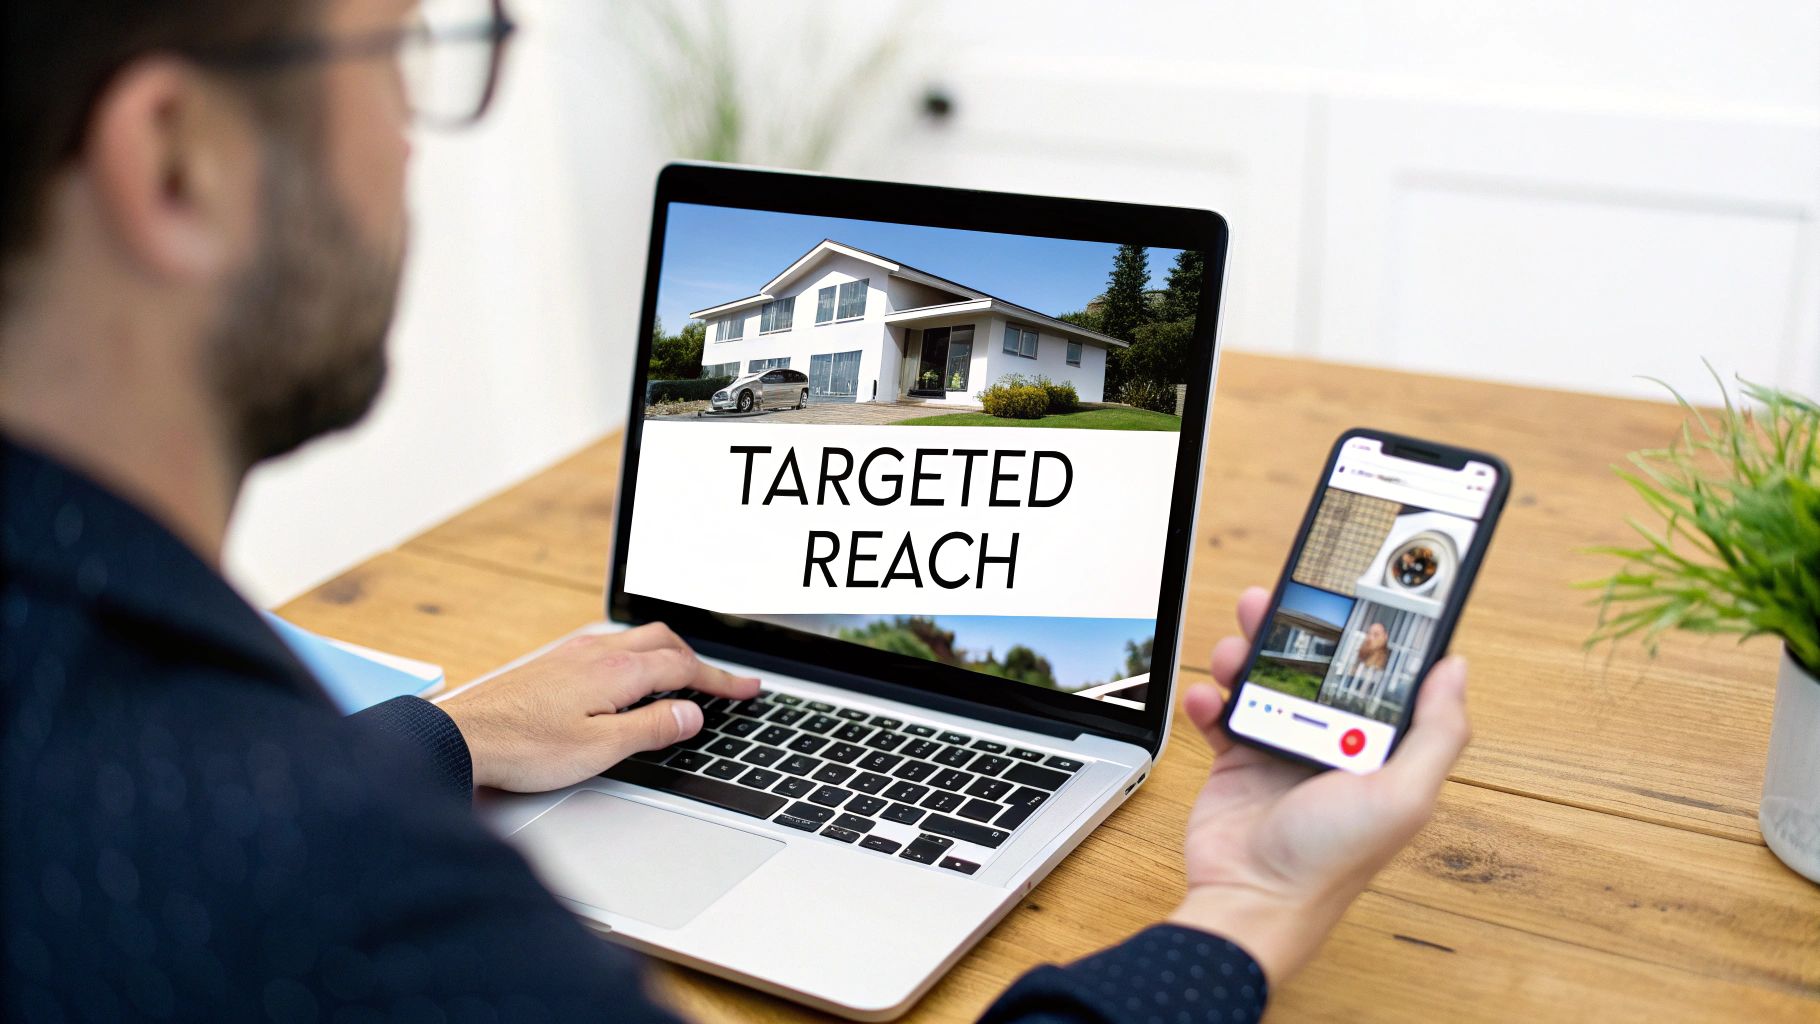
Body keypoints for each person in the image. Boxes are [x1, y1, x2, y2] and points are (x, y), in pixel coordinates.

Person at [0, 2, 1472, 1020]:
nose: (409, 141)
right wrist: (1251, 906)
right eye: (398, 58)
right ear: (175, 159)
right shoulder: (336, 898)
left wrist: (436, 739)